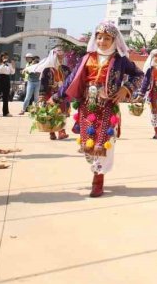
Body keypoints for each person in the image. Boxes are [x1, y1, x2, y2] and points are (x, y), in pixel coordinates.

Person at [58, 21, 142, 197]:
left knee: (103, 143)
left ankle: (98, 180)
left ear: (114, 40)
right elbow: (71, 80)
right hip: (88, 106)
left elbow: (139, 75)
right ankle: (95, 169)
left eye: (107, 38)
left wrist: (125, 89)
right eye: (99, 37)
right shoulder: (86, 58)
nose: (102, 41)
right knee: (88, 144)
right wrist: (55, 97)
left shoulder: (120, 60)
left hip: (108, 106)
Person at [35, 47, 72, 140]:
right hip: (50, 94)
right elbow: (43, 83)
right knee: (51, 113)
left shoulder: (66, 69)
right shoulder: (47, 70)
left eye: (61, 57)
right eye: (58, 57)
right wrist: (42, 96)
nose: (60, 59)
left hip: (62, 94)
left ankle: (61, 132)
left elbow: (71, 80)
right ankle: (51, 132)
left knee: (62, 112)